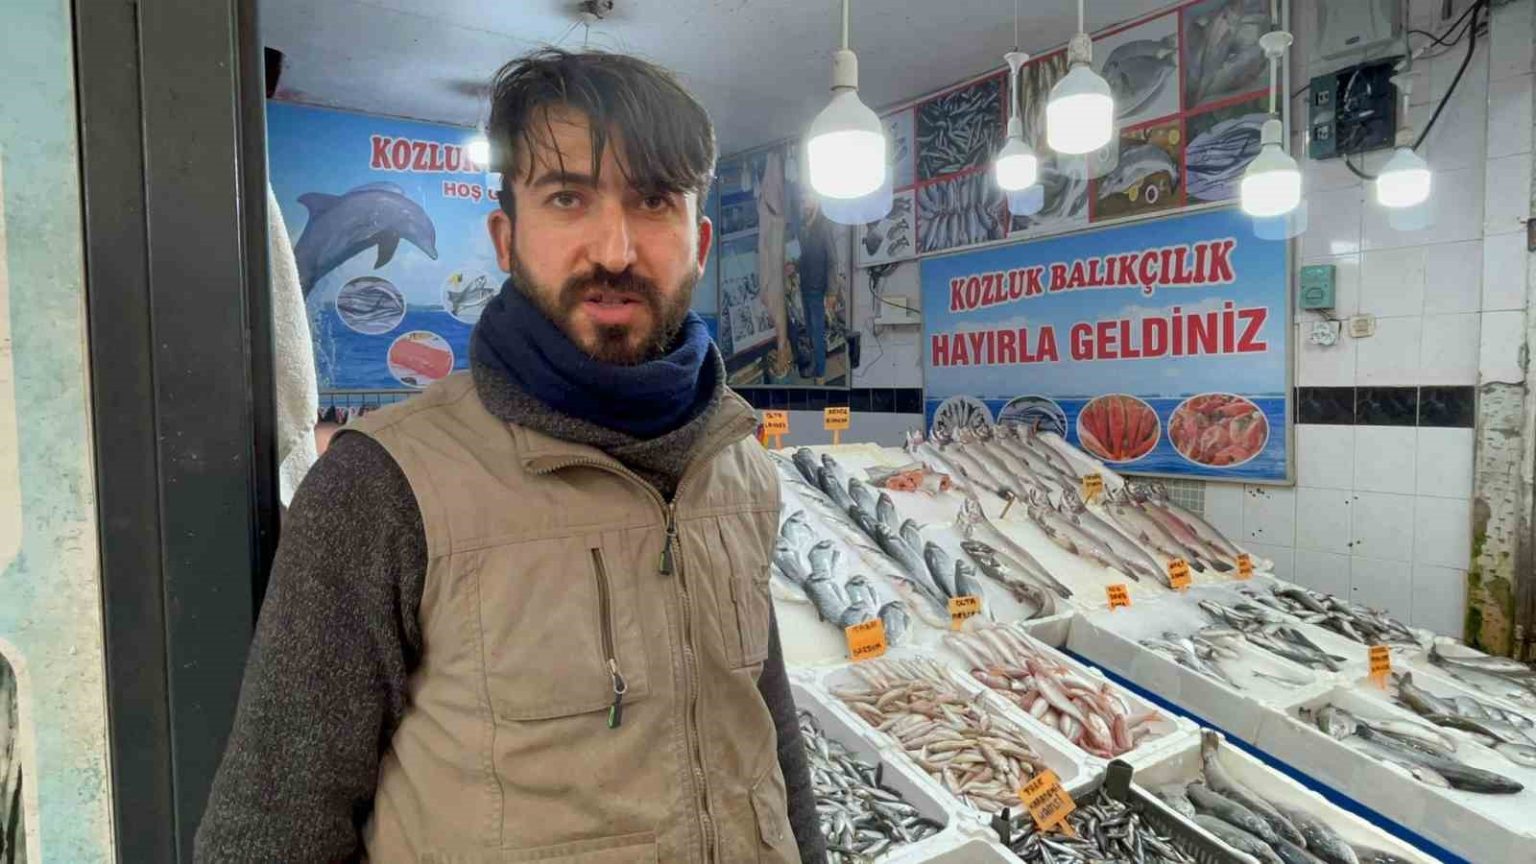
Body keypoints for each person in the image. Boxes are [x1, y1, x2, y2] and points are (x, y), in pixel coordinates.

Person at [195, 49, 825, 864]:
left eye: (654, 201)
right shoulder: (381, 486)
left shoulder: (737, 466)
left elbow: (770, 739)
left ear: (699, 241)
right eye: (567, 198)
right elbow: (268, 837)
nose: (615, 249)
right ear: (505, 237)